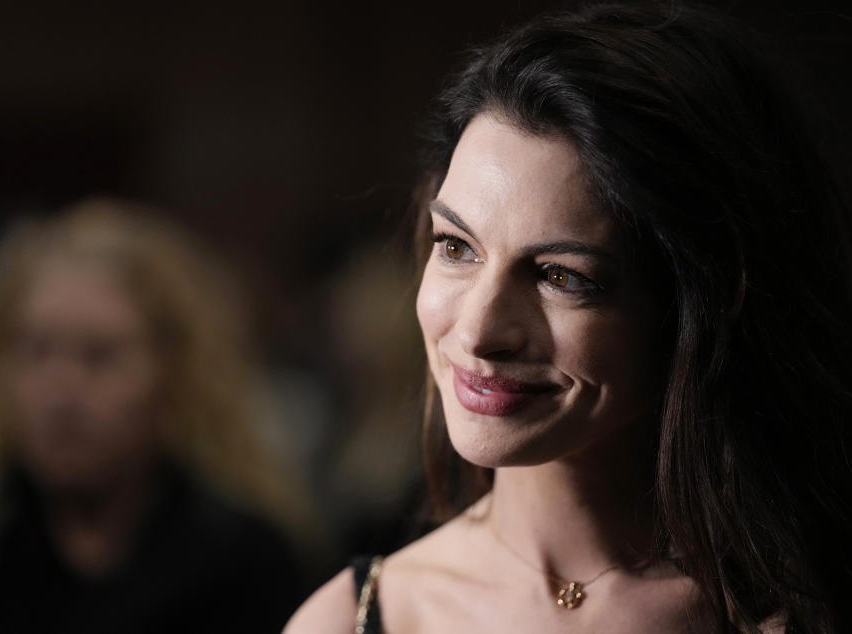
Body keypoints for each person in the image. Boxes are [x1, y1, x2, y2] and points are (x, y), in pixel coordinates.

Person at [286, 2, 852, 633]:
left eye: (561, 277)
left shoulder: (807, 607)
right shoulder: (357, 619)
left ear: (701, 307)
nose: (477, 332)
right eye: (456, 247)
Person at [0, 199, 305, 633]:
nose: (61, 390)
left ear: (174, 373)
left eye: (99, 356)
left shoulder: (246, 566)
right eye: (35, 351)